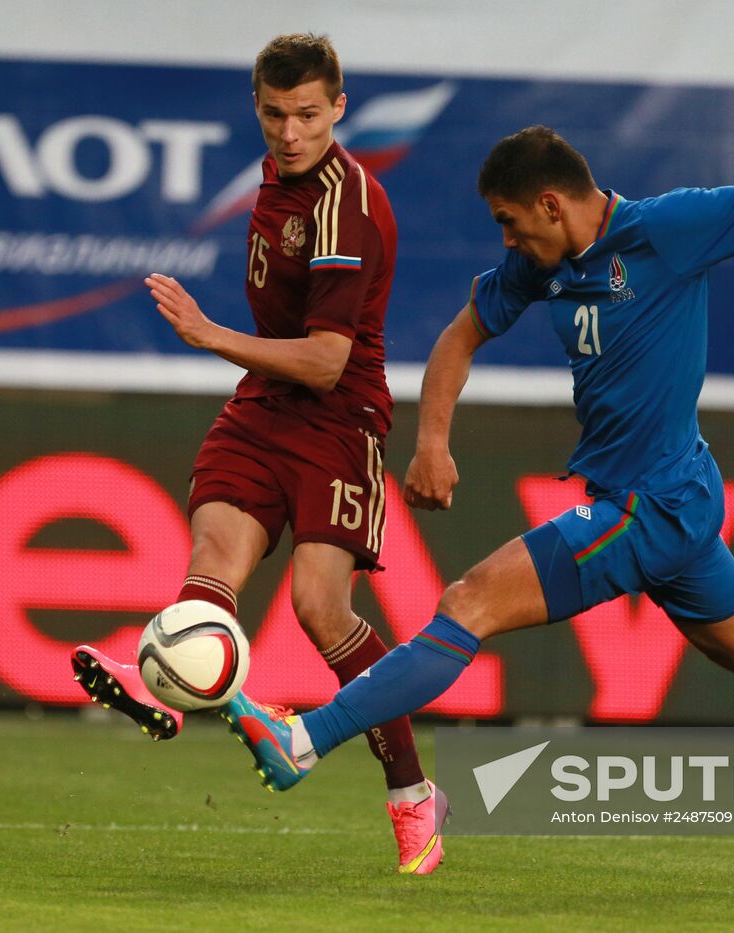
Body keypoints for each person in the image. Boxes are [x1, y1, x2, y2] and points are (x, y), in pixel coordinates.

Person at [221, 112, 734, 871]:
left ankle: (303, 738)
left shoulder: (670, 227)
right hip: (675, 501)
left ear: (550, 203)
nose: (506, 240)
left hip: (651, 505)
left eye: (509, 222)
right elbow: (460, 335)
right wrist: (434, 440)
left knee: (466, 602)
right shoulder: (543, 264)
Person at [70, 33, 447, 876]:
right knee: (211, 557)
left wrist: (209, 335)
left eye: (308, 115)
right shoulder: (274, 183)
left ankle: (414, 794)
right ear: (258, 109)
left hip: (336, 420)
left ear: (338, 109)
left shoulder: (344, 205)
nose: (289, 132)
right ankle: (158, 677)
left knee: (319, 606)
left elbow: (325, 359)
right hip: (261, 409)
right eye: (275, 114)